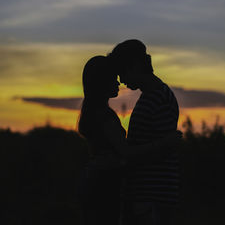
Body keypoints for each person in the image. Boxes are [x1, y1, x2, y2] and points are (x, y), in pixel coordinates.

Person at [77, 55, 181, 225]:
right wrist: (164, 143)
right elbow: (126, 152)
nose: (118, 82)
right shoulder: (104, 116)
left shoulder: (95, 112)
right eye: (113, 78)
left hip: (98, 182)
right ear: (102, 81)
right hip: (103, 185)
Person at [107, 39, 181, 225]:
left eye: (122, 72)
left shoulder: (160, 98)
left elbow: (163, 150)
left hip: (153, 197)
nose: (121, 80)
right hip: (146, 197)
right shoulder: (150, 97)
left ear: (135, 66)